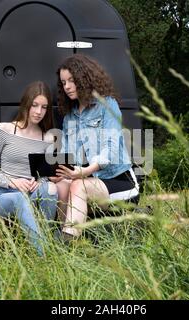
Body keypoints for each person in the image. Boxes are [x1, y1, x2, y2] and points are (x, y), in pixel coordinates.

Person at [50, 54, 139, 241]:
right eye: (63, 82)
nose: (66, 86)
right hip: (87, 181)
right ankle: (67, 236)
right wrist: (57, 172)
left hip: (119, 182)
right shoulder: (70, 118)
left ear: (84, 78)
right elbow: (67, 155)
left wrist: (87, 170)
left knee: (78, 186)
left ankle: (65, 245)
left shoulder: (107, 105)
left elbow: (112, 148)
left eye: (72, 81)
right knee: (62, 186)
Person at [0, 81, 58, 255]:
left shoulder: (48, 138)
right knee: (18, 198)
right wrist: (12, 182)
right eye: (34, 105)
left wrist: (40, 181)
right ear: (26, 104)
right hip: (3, 196)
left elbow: (45, 174)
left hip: (31, 193)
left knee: (51, 189)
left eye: (44, 107)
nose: (39, 112)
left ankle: (45, 238)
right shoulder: (5, 129)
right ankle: (45, 255)